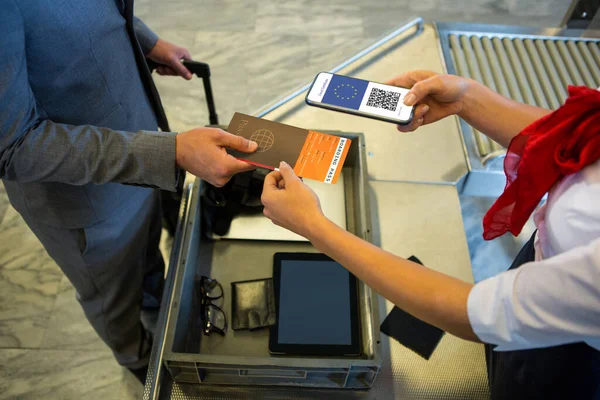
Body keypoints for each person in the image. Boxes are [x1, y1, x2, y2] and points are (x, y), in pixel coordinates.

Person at [261, 70, 600, 399]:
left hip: (565, 358)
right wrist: (466, 99)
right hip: (547, 271)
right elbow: (577, 137)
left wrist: (313, 227)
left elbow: (478, 314)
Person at [0, 0, 256, 383]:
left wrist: (145, 41)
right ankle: (138, 360)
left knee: (145, 254)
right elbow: (16, 146)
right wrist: (168, 152)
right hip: (84, 199)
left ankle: (153, 301)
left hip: (137, 152)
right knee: (113, 297)